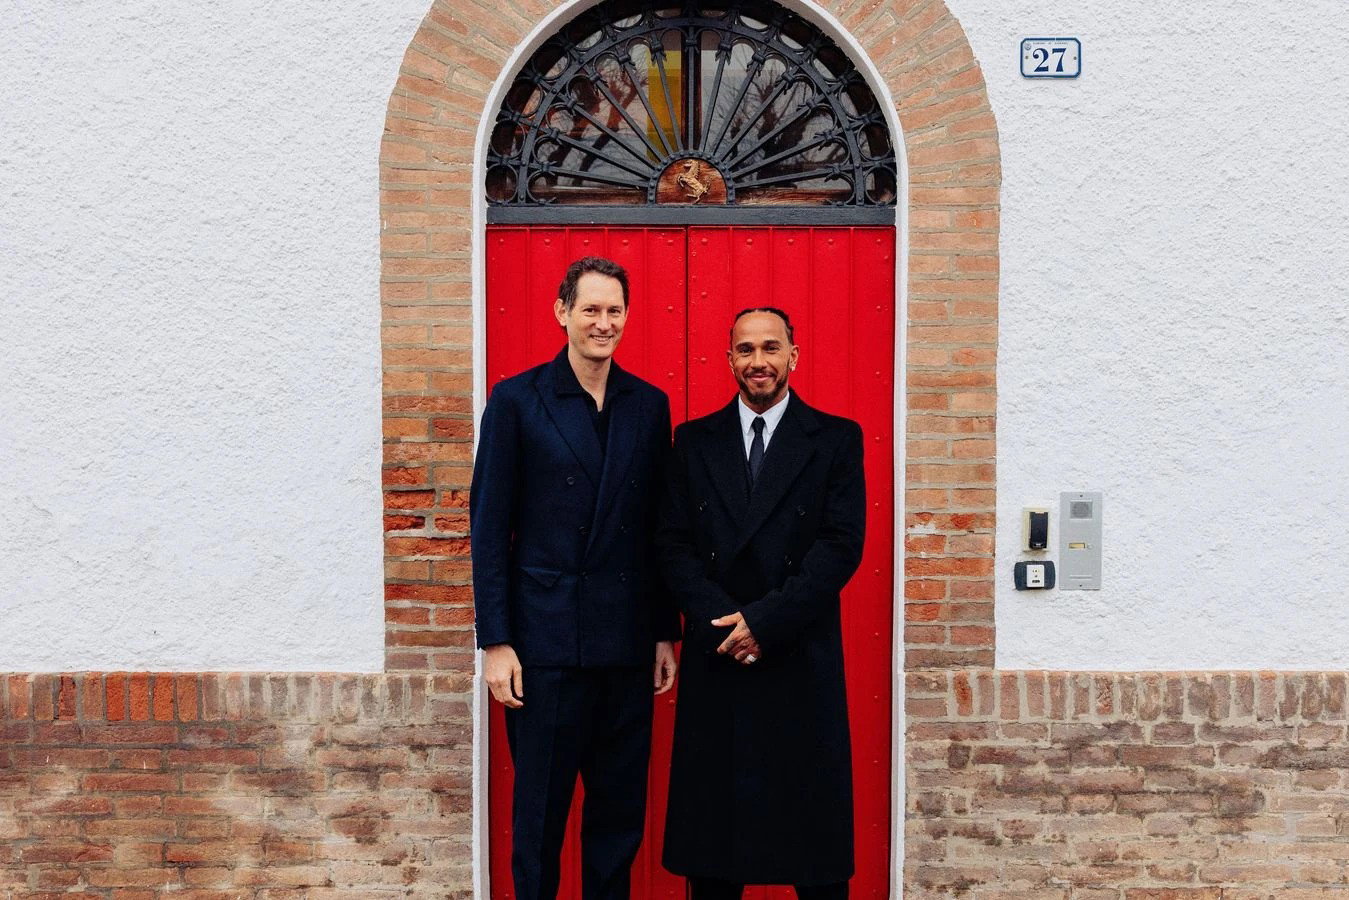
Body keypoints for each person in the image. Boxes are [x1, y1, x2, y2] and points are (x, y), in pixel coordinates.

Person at [470, 256, 680, 900]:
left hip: (621, 647)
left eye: (614, 310)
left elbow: (657, 531)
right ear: (561, 312)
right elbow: (488, 527)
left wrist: (663, 633)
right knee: (538, 820)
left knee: (617, 821)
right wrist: (495, 641)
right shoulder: (516, 401)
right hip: (543, 647)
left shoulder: (648, 406)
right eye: (590, 309)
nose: (603, 322)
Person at [658, 307, 866, 900]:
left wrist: (765, 622)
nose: (758, 362)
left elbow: (840, 545)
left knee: (814, 852)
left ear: (793, 355)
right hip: (720, 657)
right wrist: (727, 622)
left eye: (770, 348)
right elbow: (672, 543)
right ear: (729, 360)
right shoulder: (693, 442)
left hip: (798, 656)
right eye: (745, 350)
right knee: (717, 855)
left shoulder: (835, 439)